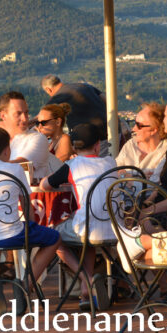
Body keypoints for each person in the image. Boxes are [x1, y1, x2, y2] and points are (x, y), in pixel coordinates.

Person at [0, 126, 61, 314]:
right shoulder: (15, 169)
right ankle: (27, 283)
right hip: (12, 234)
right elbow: (26, 203)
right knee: (54, 238)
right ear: (7, 149)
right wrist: (32, 226)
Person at [40, 123, 116, 286]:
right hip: (116, 231)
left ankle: (86, 280)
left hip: (89, 229)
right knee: (86, 231)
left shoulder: (72, 165)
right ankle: (85, 292)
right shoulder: (111, 162)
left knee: (53, 235)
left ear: (74, 148)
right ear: (97, 146)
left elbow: (44, 185)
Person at [115, 102, 167, 181]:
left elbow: (155, 184)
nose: (133, 129)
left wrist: (126, 176)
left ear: (153, 130)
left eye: (138, 125)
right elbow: (114, 171)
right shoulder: (131, 144)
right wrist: (136, 176)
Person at [41, 74, 107, 139]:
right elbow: (105, 99)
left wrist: (33, 124)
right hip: (111, 128)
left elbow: (43, 116)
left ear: (48, 89)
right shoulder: (83, 85)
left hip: (90, 136)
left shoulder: (59, 95)